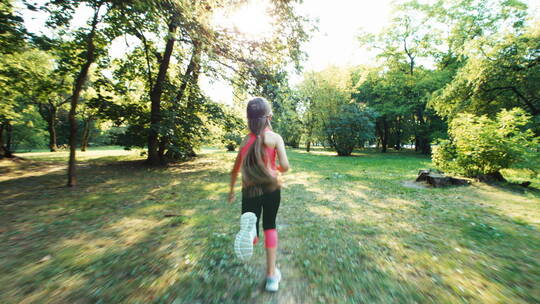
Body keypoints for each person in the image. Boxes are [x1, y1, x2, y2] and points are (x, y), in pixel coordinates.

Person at [228, 97, 290, 292]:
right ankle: (271, 276)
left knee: (251, 224)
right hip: (271, 188)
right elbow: (285, 167)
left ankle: (251, 234)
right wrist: (274, 169)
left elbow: (235, 169)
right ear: (269, 117)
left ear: (248, 119)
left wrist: (230, 191)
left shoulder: (245, 141)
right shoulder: (275, 138)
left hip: (249, 190)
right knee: (270, 226)